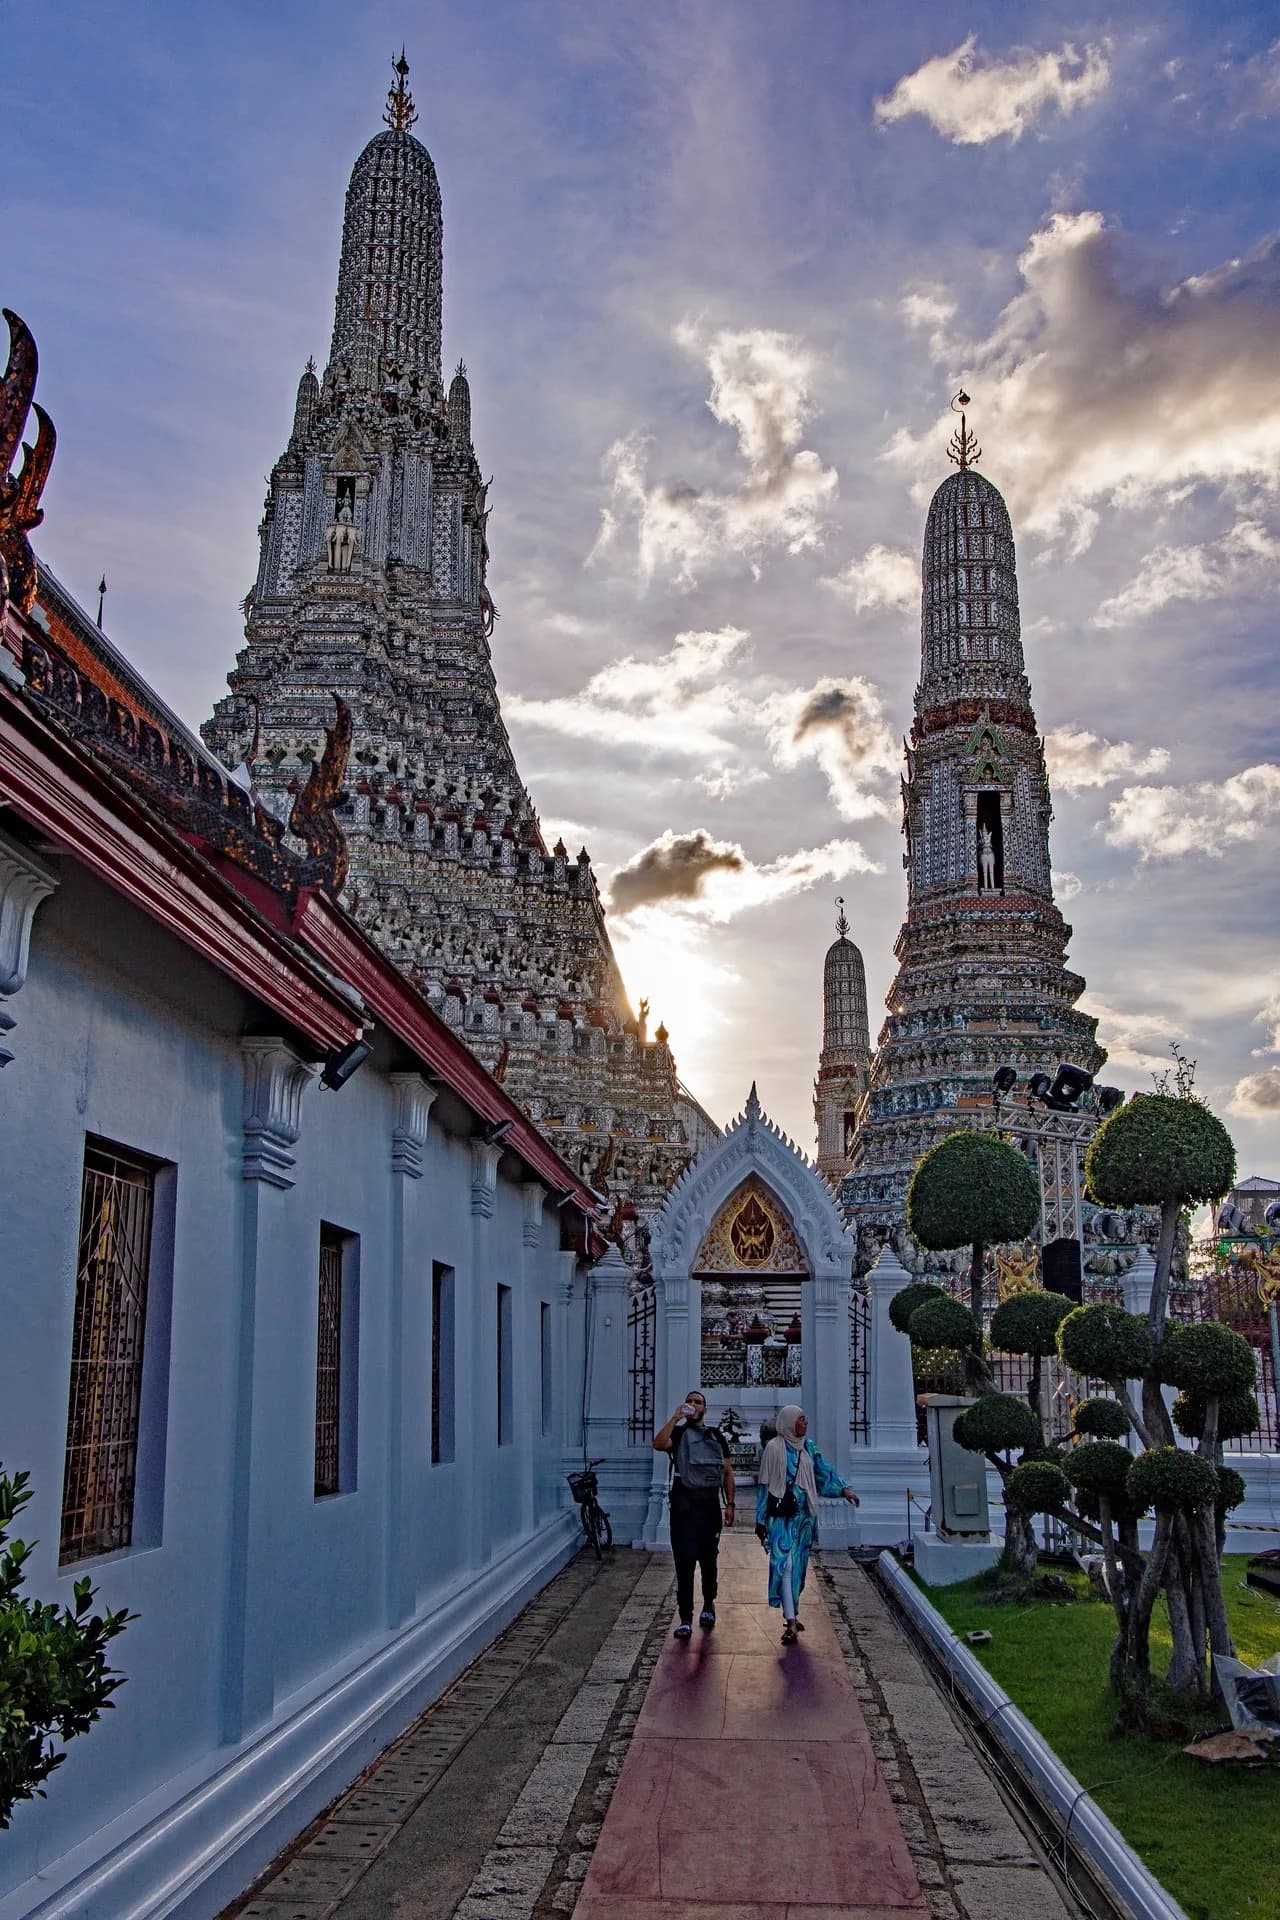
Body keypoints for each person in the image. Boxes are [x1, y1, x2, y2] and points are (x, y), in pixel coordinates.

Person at [755, 1404, 858, 1645]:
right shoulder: (773, 1448)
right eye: (801, 1419)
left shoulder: (809, 1448)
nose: (805, 1423)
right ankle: (790, 1621)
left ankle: (792, 1611)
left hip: (803, 1518)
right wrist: (760, 1521)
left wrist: (844, 1490)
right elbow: (764, 1486)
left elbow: (823, 1474)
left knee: (798, 1568)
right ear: (789, 1422)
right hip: (780, 1518)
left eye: (805, 1419)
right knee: (785, 1565)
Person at [654, 1389, 735, 1639]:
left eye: (697, 1402)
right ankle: (685, 1617)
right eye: (688, 1401)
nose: (692, 1404)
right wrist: (675, 1418)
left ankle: (709, 1604)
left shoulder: (715, 1436)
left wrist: (730, 1504)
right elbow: (658, 1444)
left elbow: (728, 1472)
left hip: (708, 1507)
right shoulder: (677, 1434)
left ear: (704, 1409)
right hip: (683, 1508)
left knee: (709, 1560)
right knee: (684, 1562)